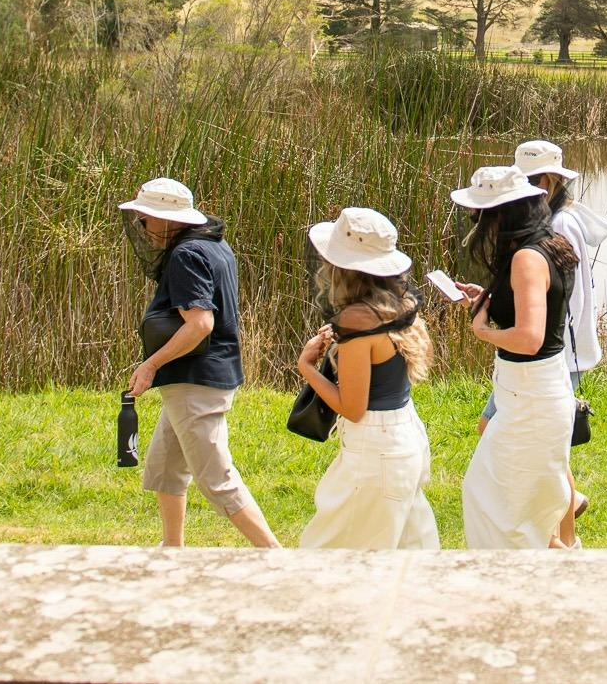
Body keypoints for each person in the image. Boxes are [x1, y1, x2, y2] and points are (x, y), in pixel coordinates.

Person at [120, 176, 280, 549]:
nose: (143, 224)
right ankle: (171, 547)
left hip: (197, 381)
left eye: (147, 216)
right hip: (203, 376)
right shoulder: (214, 245)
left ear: (167, 219)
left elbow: (201, 323)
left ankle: (274, 554)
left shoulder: (185, 255)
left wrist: (151, 364)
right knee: (163, 466)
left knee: (216, 478)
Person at [293, 207, 440, 550]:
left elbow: (352, 406)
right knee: (408, 555)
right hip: (404, 434)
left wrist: (308, 369)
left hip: (375, 448)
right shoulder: (398, 305)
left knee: (327, 552)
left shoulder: (357, 320)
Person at [451, 164, 580, 549]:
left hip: (532, 397)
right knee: (522, 507)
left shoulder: (526, 258)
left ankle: (512, 591)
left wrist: (484, 331)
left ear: (502, 214)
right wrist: (492, 300)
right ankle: (568, 571)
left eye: (482, 213)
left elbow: (529, 338)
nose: (477, 221)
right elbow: (540, 308)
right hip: (534, 390)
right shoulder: (548, 245)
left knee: (490, 500)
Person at [510, 138, 607, 546]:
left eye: (531, 182)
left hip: (556, 355)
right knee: (547, 447)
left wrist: (553, 347)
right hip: (556, 351)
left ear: (549, 181)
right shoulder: (554, 220)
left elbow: (569, 297)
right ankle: (564, 526)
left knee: (541, 447)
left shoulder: (561, 224)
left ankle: (560, 534)